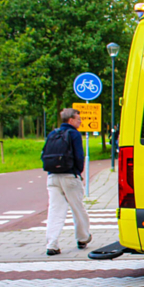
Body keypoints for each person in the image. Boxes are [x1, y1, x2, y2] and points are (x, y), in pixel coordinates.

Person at [41, 108, 92, 256]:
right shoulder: (74, 134)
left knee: (55, 211)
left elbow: (44, 153)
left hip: (52, 177)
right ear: (70, 120)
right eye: (78, 119)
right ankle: (83, 238)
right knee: (77, 208)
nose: (80, 121)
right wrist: (78, 172)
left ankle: (52, 244)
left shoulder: (53, 133)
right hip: (69, 176)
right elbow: (79, 157)